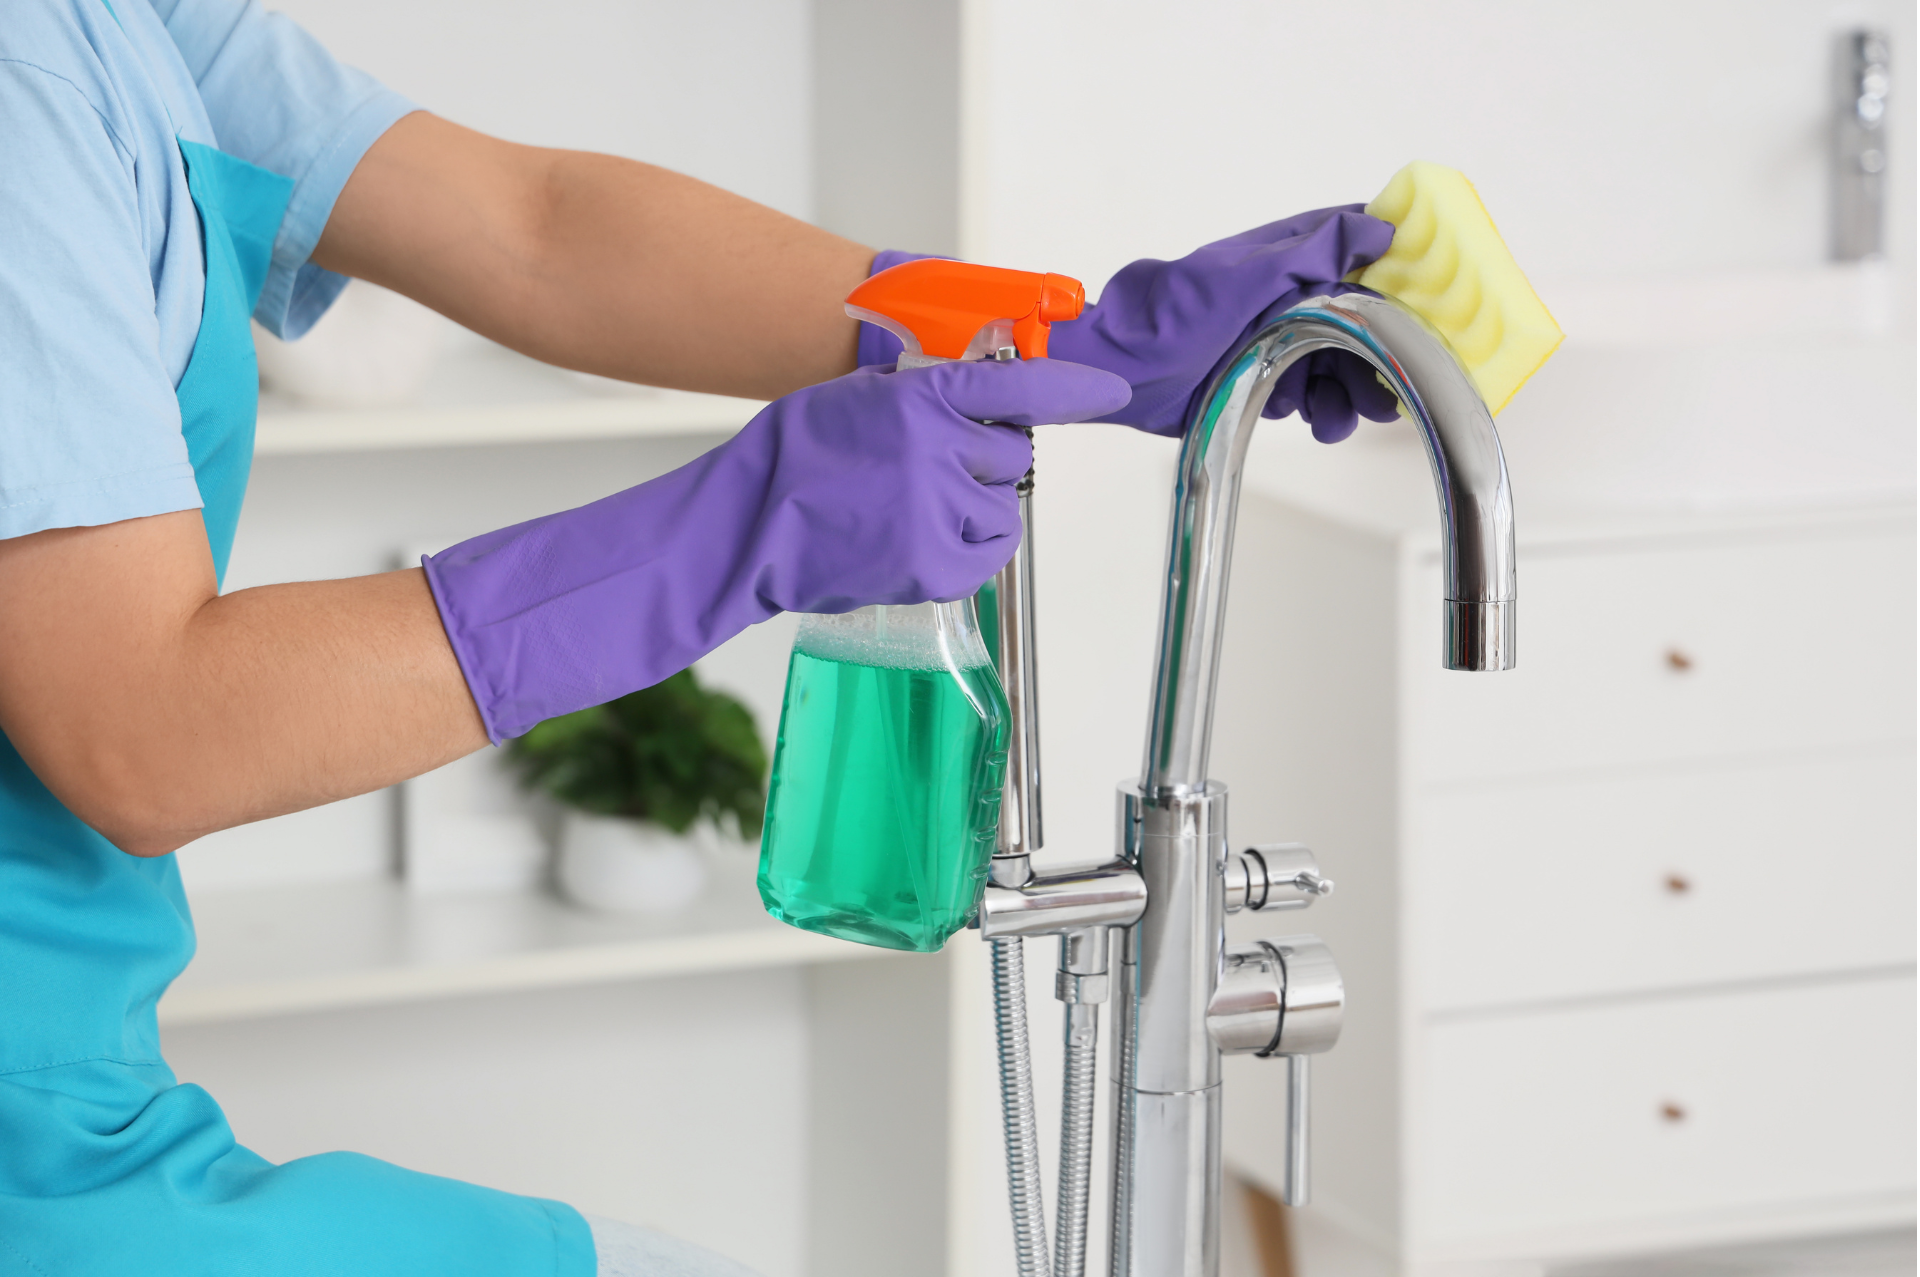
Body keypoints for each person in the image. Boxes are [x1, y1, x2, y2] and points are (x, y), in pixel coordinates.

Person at [0, 1, 1400, 1273]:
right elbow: (142, 728)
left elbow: (528, 225)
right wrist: (743, 525)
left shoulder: (115, 21)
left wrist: (1069, 334)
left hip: (84, 1112)